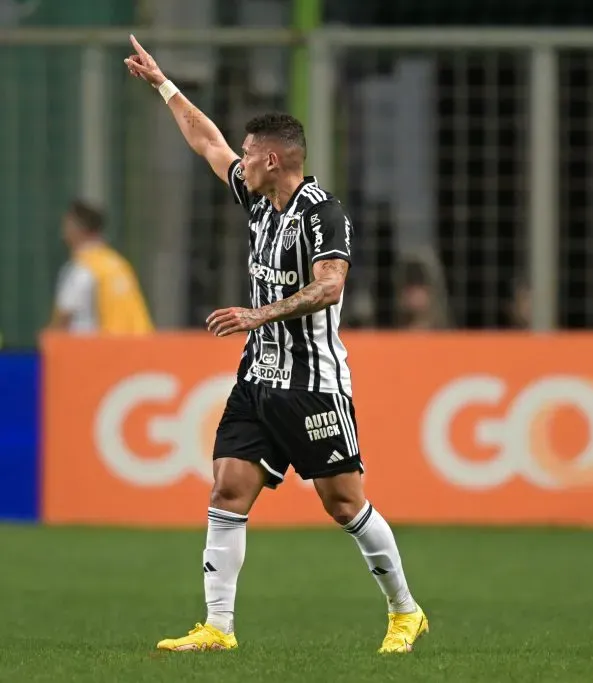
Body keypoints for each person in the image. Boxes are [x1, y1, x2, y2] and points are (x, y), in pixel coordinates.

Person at [124, 35, 427, 654]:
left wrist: (258, 314)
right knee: (227, 491)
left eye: (250, 154)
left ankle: (405, 611)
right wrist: (163, 84)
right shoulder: (262, 203)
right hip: (258, 379)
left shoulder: (323, 213)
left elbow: (330, 287)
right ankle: (218, 627)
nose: (240, 160)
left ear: (273, 160)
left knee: (343, 504)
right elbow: (208, 142)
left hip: (312, 383)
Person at [49, 200, 153, 335]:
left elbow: (63, 318)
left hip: (92, 350)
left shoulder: (80, 269)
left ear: (77, 229)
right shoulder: (119, 265)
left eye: (66, 225)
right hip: (128, 350)